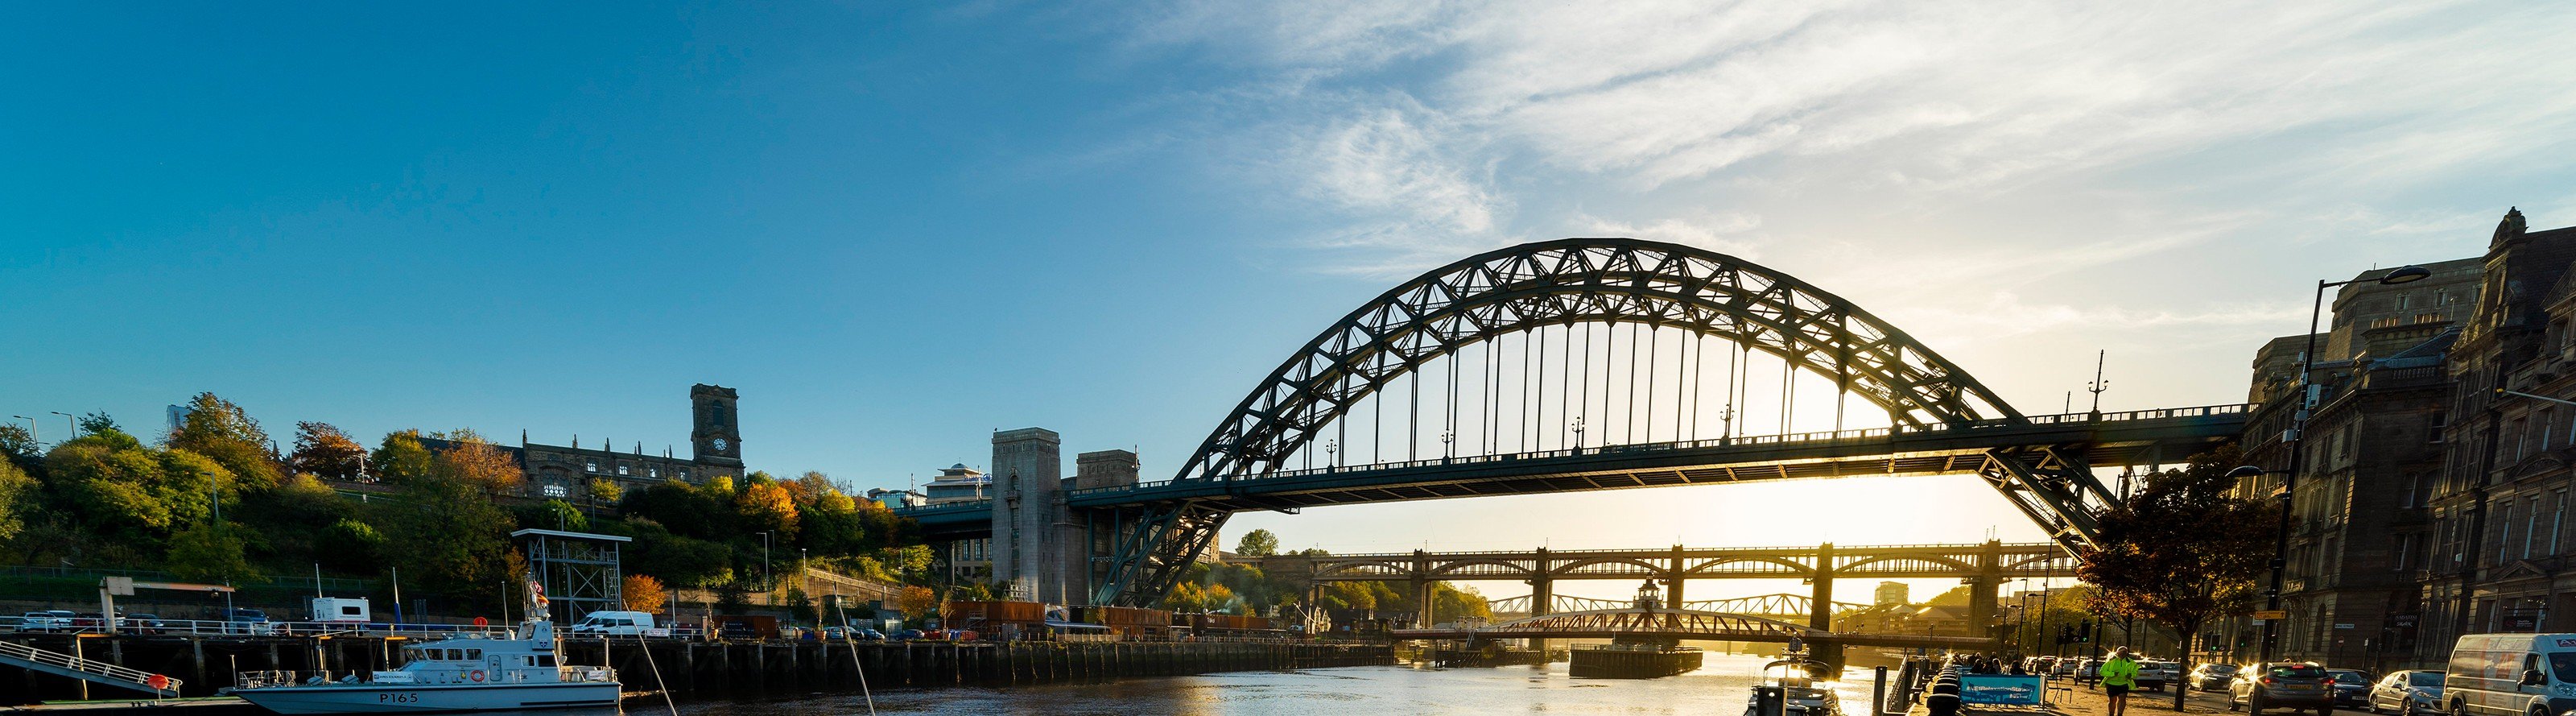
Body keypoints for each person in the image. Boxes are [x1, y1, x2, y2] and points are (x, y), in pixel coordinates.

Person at [2098, 647, 2140, 716]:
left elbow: (2135, 671)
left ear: (2127, 653)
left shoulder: (2131, 662)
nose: (2122, 654)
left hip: (2124, 683)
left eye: (2124, 652)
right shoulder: (2111, 661)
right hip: (2111, 683)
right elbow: (2102, 672)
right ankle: (2111, 714)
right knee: (2113, 700)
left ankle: (2120, 714)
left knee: (2122, 698)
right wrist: (2113, 674)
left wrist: (2131, 675)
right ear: (2117, 652)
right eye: (2121, 652)